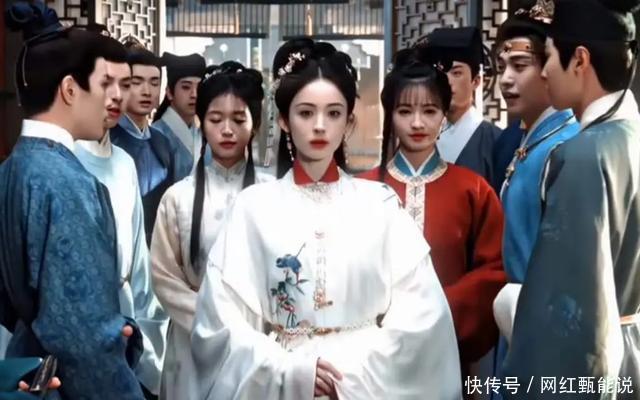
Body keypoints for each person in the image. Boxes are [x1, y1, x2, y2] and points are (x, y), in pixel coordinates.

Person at [188, 37, 461, 400]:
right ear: (284, 120)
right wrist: (287, 370)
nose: (319, 126)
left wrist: (348, 375)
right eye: (305, 113)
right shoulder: (253, 208)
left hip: (365, 379)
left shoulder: (379, 206)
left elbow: (423, 316)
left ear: (349, 122)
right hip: (282, 376)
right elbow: (220, 323)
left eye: (333, 113)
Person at [0, 2, 144, 398]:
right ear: (69, 89)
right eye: (103, 84)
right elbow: (83, 335)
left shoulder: (11, 169)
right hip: (67, 380)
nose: (113, 99)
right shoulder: (66, 182)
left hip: (30, 365)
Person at [503, 0, 640, 397]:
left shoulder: (581, 155)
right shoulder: (629, 138)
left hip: (594, 364)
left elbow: (570, 308)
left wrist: (510, 303)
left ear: (579, 60)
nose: (545, 71)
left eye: (547, 57)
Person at [359, 46, 505, 386]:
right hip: (372, 356)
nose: (417, 123)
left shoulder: (473, 190)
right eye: (404, 111)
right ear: (390, 114)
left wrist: (439, 313)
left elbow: (494, 270)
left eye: (429, 110)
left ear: (443, 115)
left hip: (448, 349)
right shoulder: (362, 190)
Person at [150, 61, 272, 400]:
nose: (227, 130)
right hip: (192, 341)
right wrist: (214, 323)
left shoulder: (273, 194)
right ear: (201, 122)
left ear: (255, 123)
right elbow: (164, 278)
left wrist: (251, 330)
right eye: (216, 120)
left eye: (239, 119)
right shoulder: (178, 198)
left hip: (257, 342)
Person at [73, 36, 168, 399]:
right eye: (106, 84)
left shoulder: (125, 162)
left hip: (128, 319)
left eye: (123, 85)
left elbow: (139, 260)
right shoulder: (65, 159)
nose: (116, 96)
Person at [111, 46, 191, 244]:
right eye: (136, 82)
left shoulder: (162, 141)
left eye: (154, 83)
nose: (147, 91)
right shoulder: (108, 139)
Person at [421, 27, 503, 184]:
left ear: (476, 81)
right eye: (440, 74)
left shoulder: (497, 141)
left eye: (456, 73)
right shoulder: (420, 135)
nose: (447, 82)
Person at [152, 52, 207, 173]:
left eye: (199, 88)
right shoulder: (156, 135)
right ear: (169, 92)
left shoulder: (203, 134)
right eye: (186, 87)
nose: (194, 94)